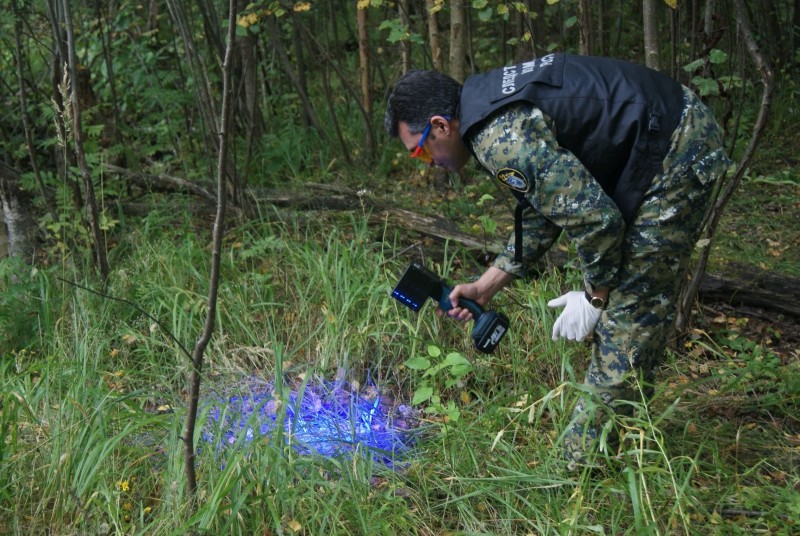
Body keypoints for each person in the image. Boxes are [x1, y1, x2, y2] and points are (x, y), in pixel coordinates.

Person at [384, 53, 731, 469]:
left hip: (676, 146)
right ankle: (616, 439)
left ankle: (577, 471)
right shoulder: (487, 107)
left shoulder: (500, 137)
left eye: (421, 152)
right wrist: (486, 285)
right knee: (628, 300)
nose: (429, 164)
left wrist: (596, 295)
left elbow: (596, 219)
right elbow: (545, 205)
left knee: (632, 309)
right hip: (662, 135)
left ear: (441, 125)